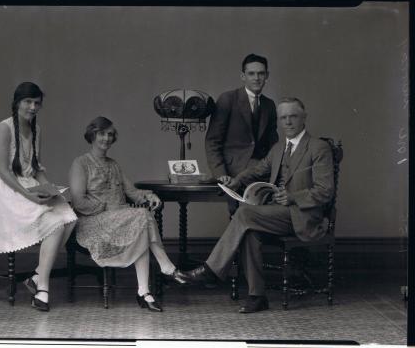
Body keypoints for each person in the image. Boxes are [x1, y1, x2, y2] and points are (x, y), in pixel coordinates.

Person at [185, 98, 335, 313]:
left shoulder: (318, 147)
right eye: (283, 118)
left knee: (245, 213)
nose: (288, 122)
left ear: (304, 118)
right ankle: (257, 296)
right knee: (249, 233)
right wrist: (235, 181)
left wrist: (293, 197)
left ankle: (211, 270)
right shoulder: (279, 147)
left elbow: (325, 190)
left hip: (303, 216)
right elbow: (258, 170)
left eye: (293, 116)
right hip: (277, 214)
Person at [69, 117, 189, 312]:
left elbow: (132, 192)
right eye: (101, 133)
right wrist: (108, 208)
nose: (106, 138)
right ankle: (166, 268)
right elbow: (78, 202)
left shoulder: (114, 164)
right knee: (141, 217)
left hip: (122, 221)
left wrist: (150, 195)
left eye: (110, 134)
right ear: (92, 135)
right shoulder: (80, 163)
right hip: (92, 223)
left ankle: (144, 292)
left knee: (141, 223)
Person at [0, 82, 77, 312]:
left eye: (37, 103)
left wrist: (51, 189)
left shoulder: (36, 129)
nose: (33, 107)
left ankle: (36, 276)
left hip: (27, 183)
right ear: (17, 103)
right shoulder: (4, 128)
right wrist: (30, 197)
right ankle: (42, 288)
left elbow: (36, 167)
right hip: (4, 189)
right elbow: (3, 171)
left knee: (69, 216)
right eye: (28, 102)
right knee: (54, 222)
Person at [205, 53, 279, 214]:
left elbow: (275, 145)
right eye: (251, 73)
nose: (256, 78)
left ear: (267, 76)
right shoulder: (228, 99)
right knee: (245, 213)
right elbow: (212, 141)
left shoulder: (269, 105)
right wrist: (221, 174)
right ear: (243, 76)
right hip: (232, 170)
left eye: (261, 73)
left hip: (261, 170)